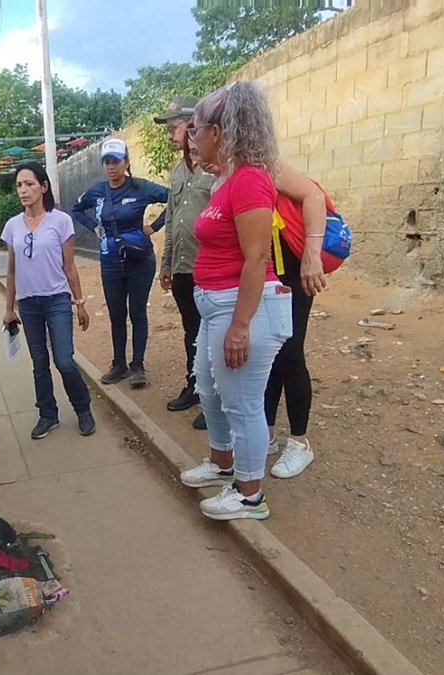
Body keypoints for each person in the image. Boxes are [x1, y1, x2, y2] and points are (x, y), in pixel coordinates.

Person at [176, 82, 292, 521]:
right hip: (215, 306)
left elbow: (256, 256)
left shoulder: (250, 181)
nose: (193, 137)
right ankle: (222, 463)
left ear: (220, 132)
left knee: (242, 402)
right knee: (207, 385)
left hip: (239, 307)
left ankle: (249, 495)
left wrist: (241, 325)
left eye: (197, 129)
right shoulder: (228, 179)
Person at [1, 162, 97, 440]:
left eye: (29, 184)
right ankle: (47, 415)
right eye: (19, 185)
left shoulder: (61, 221)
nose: (23, 190)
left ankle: (83, 409)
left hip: (57, 300)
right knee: (39, 362)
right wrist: (9, 308)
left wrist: (79, 303)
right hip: (29, 305)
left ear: (43, 187)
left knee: (64, 360)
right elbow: (11, 270)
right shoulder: (13, 226)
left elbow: (70, 267)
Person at [70, 138, 168, 388]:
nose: (111, 167)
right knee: (116, 314)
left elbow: (174, 198)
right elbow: (77, 209)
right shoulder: (97, 191)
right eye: (107, 162)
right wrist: (94, 227)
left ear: (126, 162)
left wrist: (154, 227)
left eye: (116, 161)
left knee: (137, 312)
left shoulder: (141, 188)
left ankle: (138, 365)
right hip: (110, 260)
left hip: (139, 260)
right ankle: (119, 364)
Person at [263, 162, 330, 479]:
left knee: (289, 353)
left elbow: (313, 195)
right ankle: (267, 433)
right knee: (270, 353)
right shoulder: (228, 173)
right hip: (267, 273)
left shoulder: (266, 165)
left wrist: (312, 256)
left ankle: (300, 443)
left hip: (293, 271)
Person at [155, 97, 215, 431]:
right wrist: (166, 262)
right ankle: (195, 387)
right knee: (191, 332)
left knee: (212, 335)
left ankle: (214, 399)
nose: (169, 135)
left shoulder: (216, 167)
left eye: (173, 127)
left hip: (208, 270)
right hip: (182, 268)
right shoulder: (179, 171)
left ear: (194, 124)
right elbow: (174, 217)